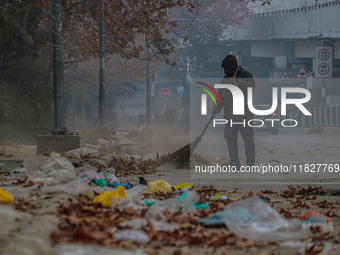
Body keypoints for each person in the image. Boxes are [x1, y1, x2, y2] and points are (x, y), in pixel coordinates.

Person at [212, 55, 256, 168]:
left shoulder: (247, 75)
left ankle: (250, 163)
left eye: (227, 69)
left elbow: (252, 87)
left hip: (245, 114)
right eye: (224, 70)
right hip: (230, 114)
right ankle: (234, 162)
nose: (225, 71)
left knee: (248, 139)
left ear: (233, 67)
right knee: (231, 139)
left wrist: (237, 83)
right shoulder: (226, 78)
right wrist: (215, 108)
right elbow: (221, 96)